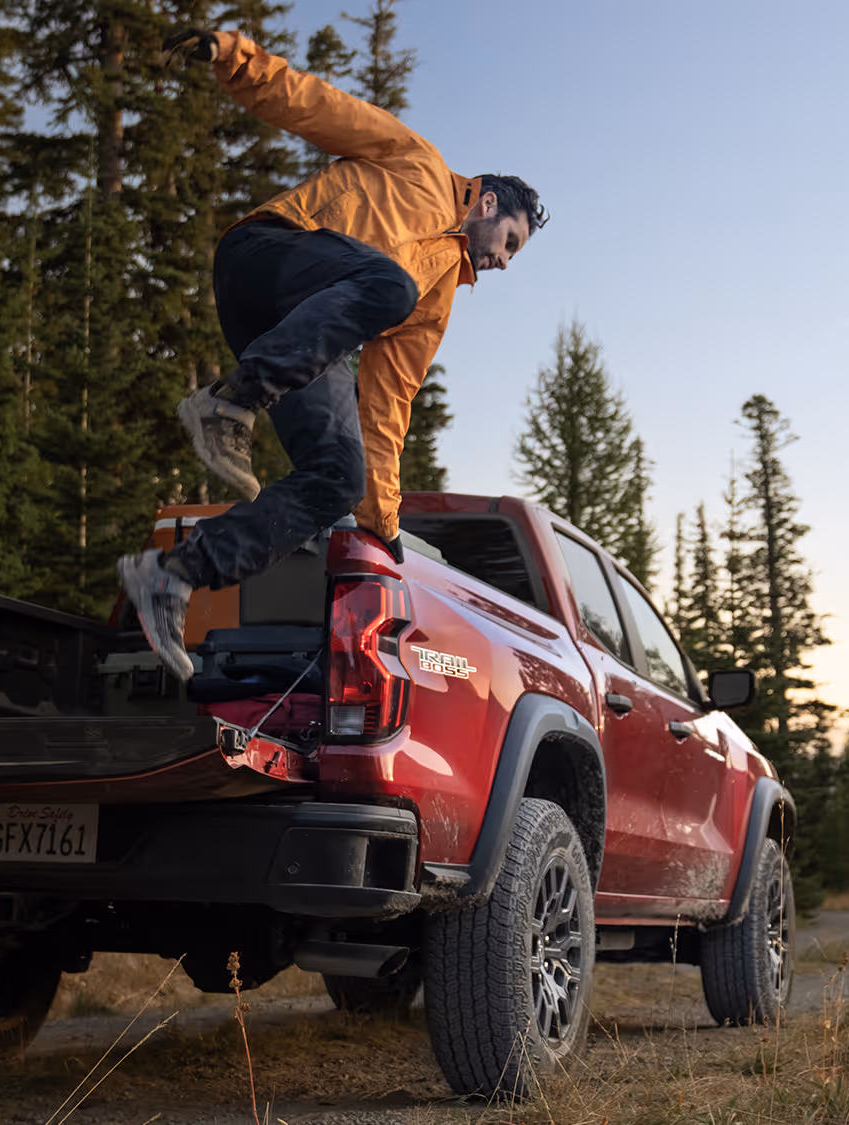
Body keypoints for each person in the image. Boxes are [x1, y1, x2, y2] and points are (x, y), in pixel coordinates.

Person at [120, 28, 546, 679]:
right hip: (266, 256)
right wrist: (236, 59)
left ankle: (173, 575)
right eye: (510, 242)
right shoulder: (417, 162)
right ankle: (230, 403)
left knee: (338, 474)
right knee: (389, 282)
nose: (504, 262)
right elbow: (319, 107)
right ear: (488, 202)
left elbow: (388, 401)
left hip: (298, 335)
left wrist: (383, 521)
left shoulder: (434, 293)